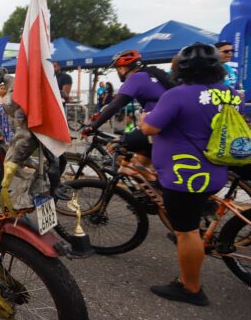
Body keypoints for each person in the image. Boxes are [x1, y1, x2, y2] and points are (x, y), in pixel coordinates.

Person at [140, 43, 236, 306]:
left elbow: (149, 127)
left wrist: (143, 116)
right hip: (215, 171)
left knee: (186, 231)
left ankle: (190, 287)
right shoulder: (229, 93)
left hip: (185, 176)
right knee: (190, 224)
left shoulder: (177, 95)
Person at [82, 49, 176, 170]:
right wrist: (99, 115)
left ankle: (152, 183)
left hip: (158, 128)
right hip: (165, 126)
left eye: (118, 69)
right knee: (143, 160)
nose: (118, 72)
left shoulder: (136, 78)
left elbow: (115, 105)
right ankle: (150, 184)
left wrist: (92, 127)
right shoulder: (149, 74)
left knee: (115, 146)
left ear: (124, 68)